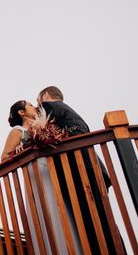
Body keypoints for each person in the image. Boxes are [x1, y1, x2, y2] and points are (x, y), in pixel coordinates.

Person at [38, 86, 120, 253]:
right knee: (104, 219)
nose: (38, 106)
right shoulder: (72, 114)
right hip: (92, 165)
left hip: (77, 167)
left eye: (38, 101)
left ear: (45, 96)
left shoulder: (50, 107)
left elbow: (41, 134)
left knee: (89, 221)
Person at [2, 99, 81, 254]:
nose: (35, 106)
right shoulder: (18, 131)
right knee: (46, 211)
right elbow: (4, 157)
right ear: (21, 112)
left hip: (52, 172)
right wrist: (19, 151)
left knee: (63, 209)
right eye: (30, 105)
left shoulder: (42, 126)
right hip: (36, 175)